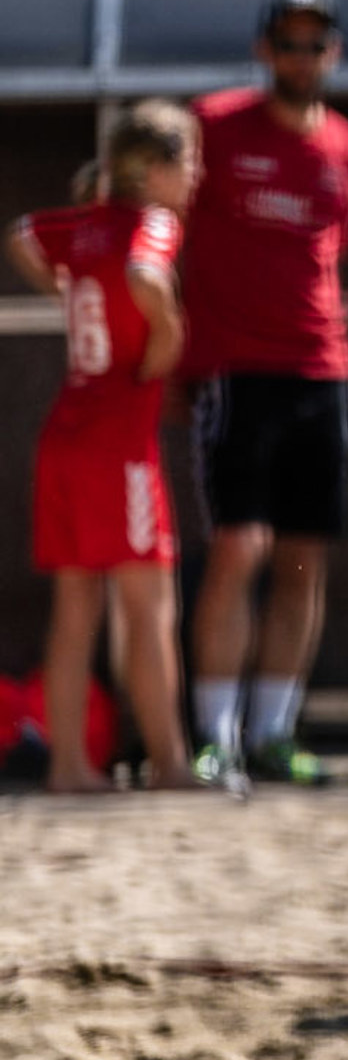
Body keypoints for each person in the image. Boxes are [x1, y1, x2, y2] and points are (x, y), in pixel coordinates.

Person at [182, 0, 348, 789]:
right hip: (233, 367)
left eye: (316, 43)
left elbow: (339, 252)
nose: (302, 56)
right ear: (265, 49)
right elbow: (162, 223)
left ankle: (273, 732)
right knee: (239, 544)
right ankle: (214, 735)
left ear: (333, 53)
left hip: (322, 370)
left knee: (304, 557)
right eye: (288, 41)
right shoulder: (213, 125)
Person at [6, 102, 205, 793]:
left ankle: (69, 768)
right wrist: (166, 339)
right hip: (118, 443)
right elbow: (148, 279)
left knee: (75, 607)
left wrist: (65, 286)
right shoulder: (152, 225)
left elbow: (22, 236)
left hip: (66, 431)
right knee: (149, 606)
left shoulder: (83, 227)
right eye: (190, 161)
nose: (197, 176)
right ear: (152, 171)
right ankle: (170, 764)